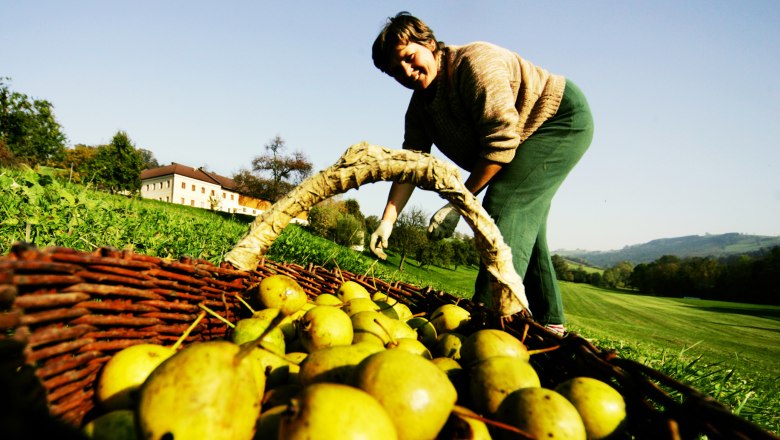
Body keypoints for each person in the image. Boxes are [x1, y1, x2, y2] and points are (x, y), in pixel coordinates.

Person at [368, 12, 594, 335]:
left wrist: (457, 202)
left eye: (408, 57)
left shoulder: (474, 65)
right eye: (395, 70)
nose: (405, 71)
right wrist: (387, 220)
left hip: (557, 118)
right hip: (519, 138)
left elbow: (501, 143)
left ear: (429, 43)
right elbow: (410, 165)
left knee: (503, 204)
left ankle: (488, 322)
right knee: (525, 223)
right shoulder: (420, 108)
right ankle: (551, 322)